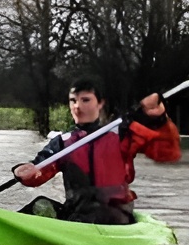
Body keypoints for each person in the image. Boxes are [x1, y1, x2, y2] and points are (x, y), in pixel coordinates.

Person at [12, 79, 180, 224]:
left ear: (100, 103)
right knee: (40, 205)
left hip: (116, 218)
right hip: (78, 217)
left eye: (85, 100)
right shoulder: (62, 143)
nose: (77, 107)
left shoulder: (122, 135)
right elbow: (38, 173)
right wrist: (24, 171)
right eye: (73, 101)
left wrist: (160, 118)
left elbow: (167, 150)